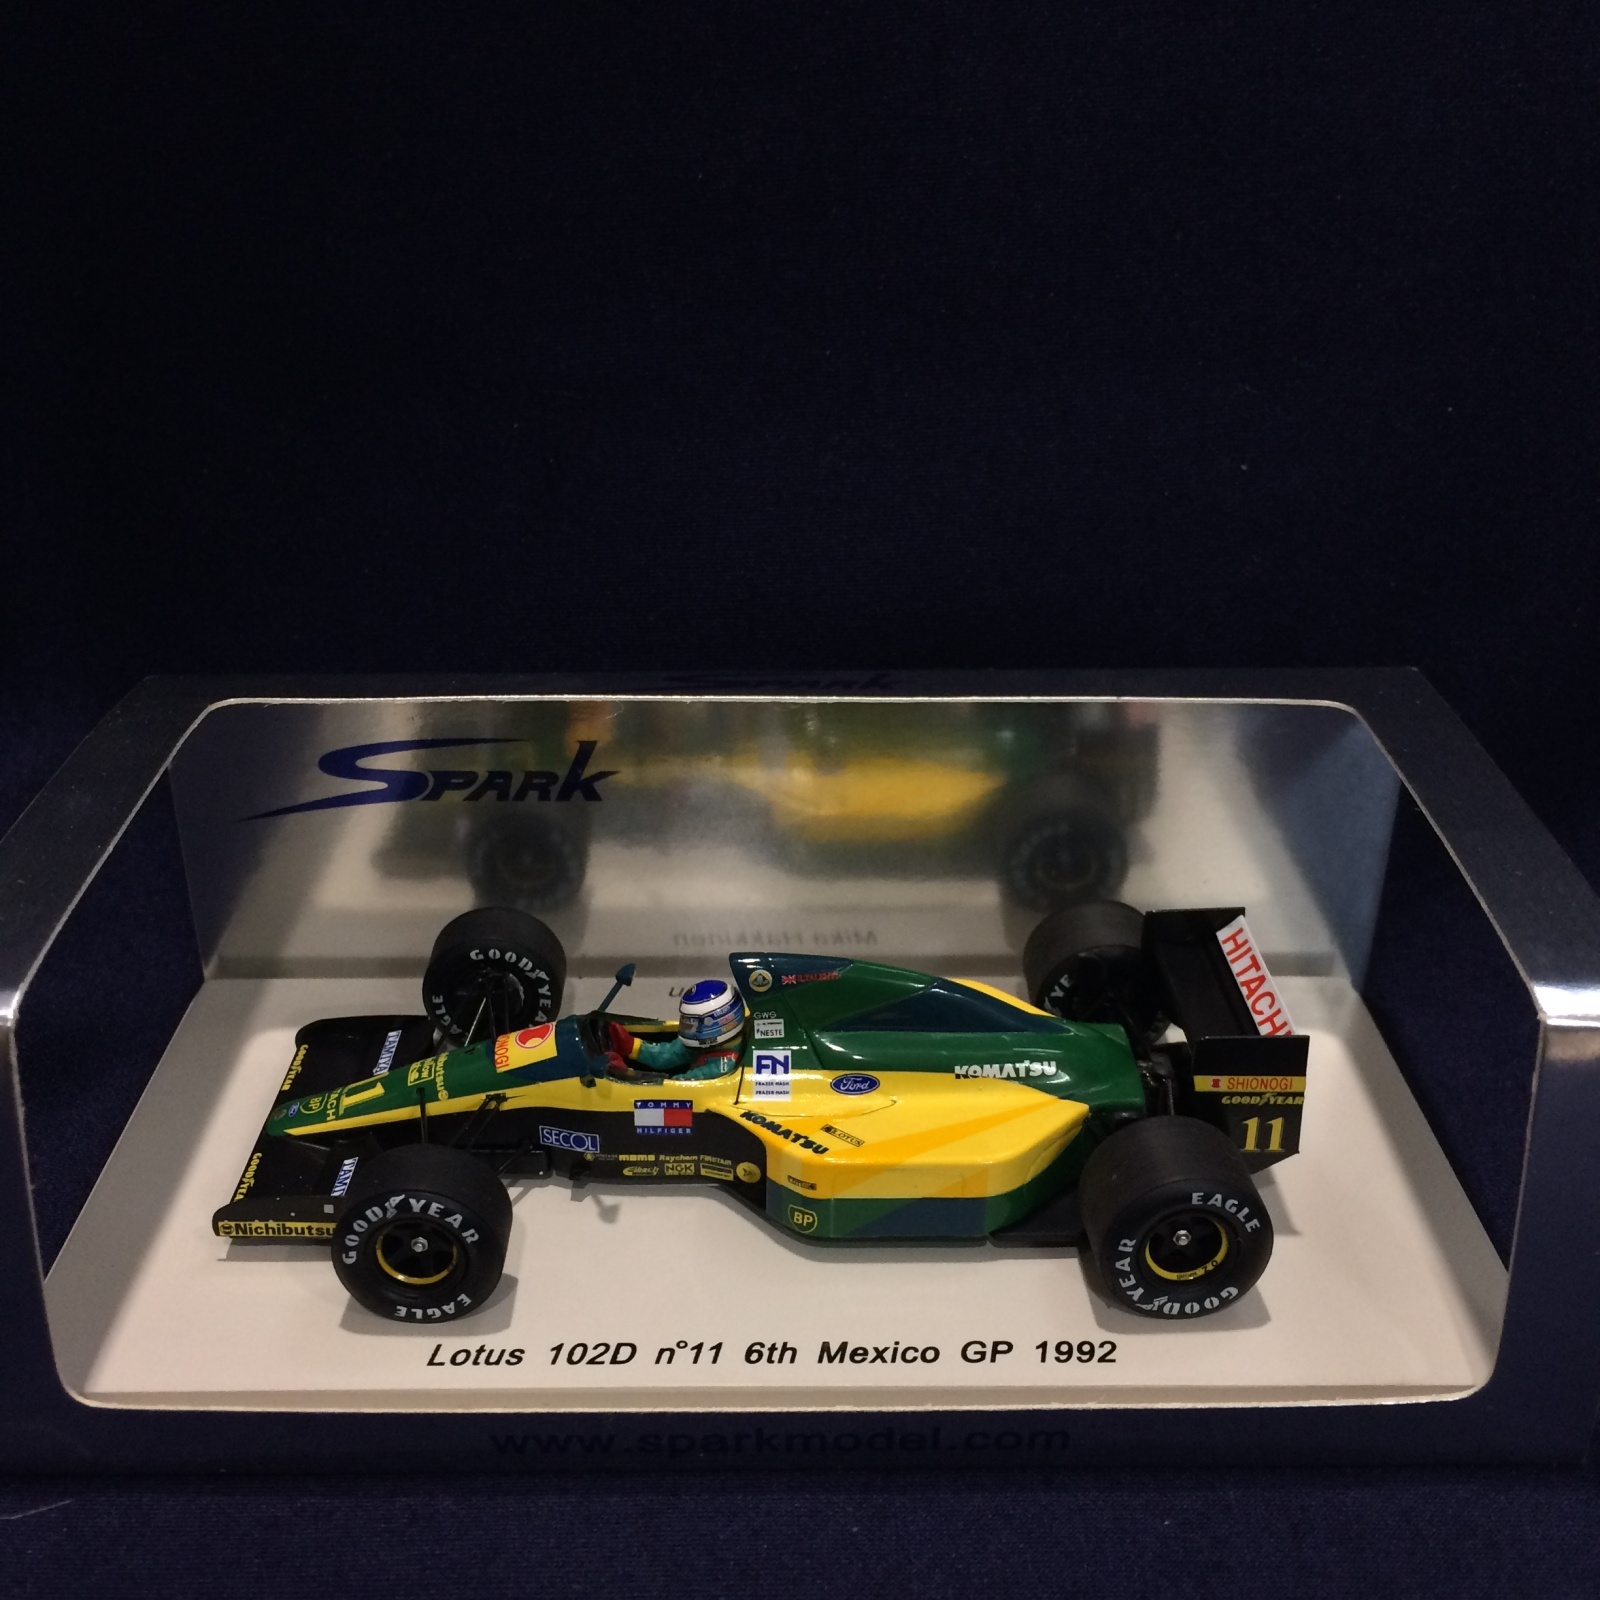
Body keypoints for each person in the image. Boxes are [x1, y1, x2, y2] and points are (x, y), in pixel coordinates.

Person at [597, 978, 747, 1080]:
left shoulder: (719, 1068)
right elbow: (668, 1054)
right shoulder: (706, 1042)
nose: (687, 1027)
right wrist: (631, 1045)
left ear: (716, 1025)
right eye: (686, 1021)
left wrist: (625, 1074)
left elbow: (675, 1088)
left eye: (692, 1023)